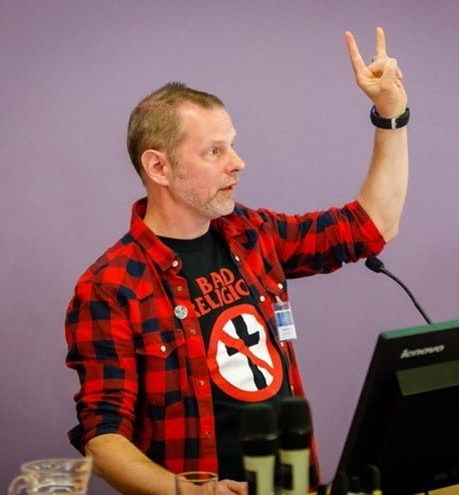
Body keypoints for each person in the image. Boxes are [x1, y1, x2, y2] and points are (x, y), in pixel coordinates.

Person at [65, 27, 409, 495]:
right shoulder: (112, 286)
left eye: (232, 144)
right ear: (159, 167)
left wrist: (391, 115)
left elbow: (372, 226)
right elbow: (103, 440)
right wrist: (192, 493)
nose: (238, 162)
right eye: (214, 151)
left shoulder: (252, 234)